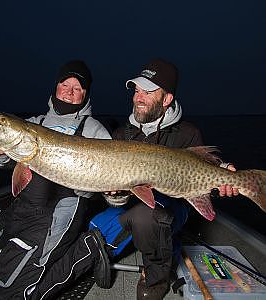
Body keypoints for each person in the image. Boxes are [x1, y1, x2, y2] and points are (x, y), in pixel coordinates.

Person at [89, 58, 239, 300]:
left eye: (148, 92)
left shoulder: (188, 133)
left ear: (166, 99)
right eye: (137, 90)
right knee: (94, 229)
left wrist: (224, 173)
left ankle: (156, 279)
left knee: (148, 217)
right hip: (132, 205)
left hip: (172, 206)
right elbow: (114, 189)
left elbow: (203, 168)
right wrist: (113, 195)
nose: (138, 97)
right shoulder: (120, 135)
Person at [0, 60, 112, 299]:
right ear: (55, 87)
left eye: (77, 87)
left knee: (10, 292)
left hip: (58, 214)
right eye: (65, 84)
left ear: (85, 94)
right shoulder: (34, 122)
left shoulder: (95, 131)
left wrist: (115, 192)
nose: (69, 91)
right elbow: (9, 161)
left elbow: (111, 177)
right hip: (22, 210)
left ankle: (87, 248)